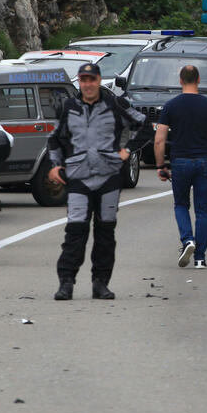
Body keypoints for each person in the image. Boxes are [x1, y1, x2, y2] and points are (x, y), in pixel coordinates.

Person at [47, 62, 153, 301]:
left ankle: (100, 284)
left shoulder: (115, 104)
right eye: (83, 80)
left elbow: (145, 125)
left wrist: (127, 151)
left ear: (98, 80)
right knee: (75, 232)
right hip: (78, 178)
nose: (88, 85)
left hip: (108, 178)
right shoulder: (68, 107)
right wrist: (55, 166)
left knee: (105, 232)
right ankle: (66, 283)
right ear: (80, 82)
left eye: (91, 80)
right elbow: (54, 139)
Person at [154, 65, 207, 269]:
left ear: (180, 80)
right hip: (205, 162)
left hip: (180, 162)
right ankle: (200, 259)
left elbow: (159, 140)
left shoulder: (171, 106)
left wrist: (161, 165)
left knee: (181, 205)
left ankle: (188, 240)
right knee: (203, 209)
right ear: (199, 80)